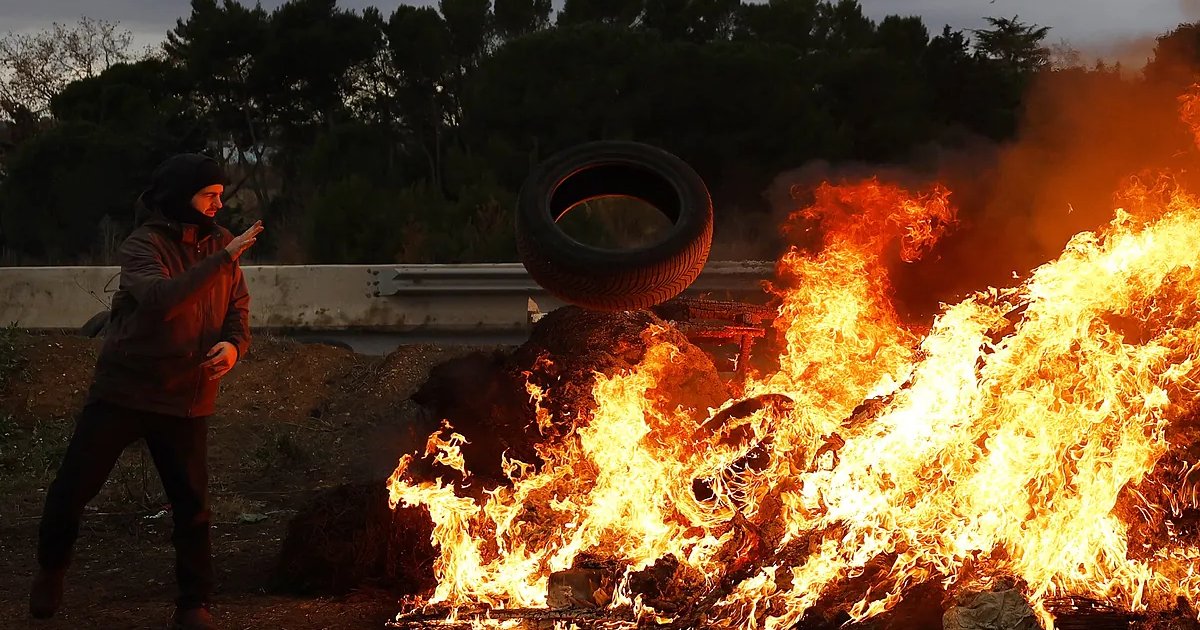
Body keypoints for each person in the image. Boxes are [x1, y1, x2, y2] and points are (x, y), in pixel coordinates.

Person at [29, 153, 265, 630]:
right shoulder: (144, 245)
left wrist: (233, 346)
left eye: (221, 195)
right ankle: (51, 569)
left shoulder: (221, 245)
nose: (219, 204)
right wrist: (222, 259)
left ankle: (192, 604)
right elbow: (162, 302)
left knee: (192, 506)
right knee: (72, 490)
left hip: (186, 396)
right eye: (209, 195)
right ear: (182, 197)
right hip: (126, 391)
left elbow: (236, 308)